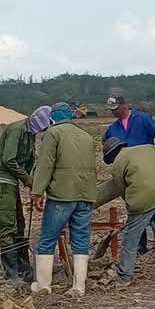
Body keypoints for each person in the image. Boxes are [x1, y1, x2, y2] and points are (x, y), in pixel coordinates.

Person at [31, 104, 98, 297]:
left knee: (47, 238)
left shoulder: (53, 133)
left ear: (54, 117)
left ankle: (43, 285)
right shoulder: (86, 136)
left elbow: (45, 165)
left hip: (62, 194)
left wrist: (37, 192)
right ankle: (79, 286)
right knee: (81, 240)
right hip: (85, 194)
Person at [102, 137, 155, 286]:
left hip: (142, 200)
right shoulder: (148, 148)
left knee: (130, 240)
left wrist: (131, 207)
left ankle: (124, 276)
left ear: (111, 157)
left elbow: (121, 189)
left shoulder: (117, 164)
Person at [0, 105, 52, 287]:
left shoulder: (29, 134)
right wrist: (28, 180)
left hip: (12, 181)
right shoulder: (17, 130)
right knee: (9, 225)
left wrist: (32, 184)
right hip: (2, 180)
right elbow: (9, 159)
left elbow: (29, 161)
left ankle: (23, 267)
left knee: (19, 224)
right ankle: (11, 273)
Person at [103, 93, 155, 256]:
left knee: (153, 207)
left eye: (115, 109)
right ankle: (140, 246)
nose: (113, 112)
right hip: (128, 176)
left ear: (124, 105)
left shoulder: (142, 119)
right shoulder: (113, 129)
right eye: (111, 110)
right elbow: (106, 145)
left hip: (147, 172)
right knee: (135, 209)